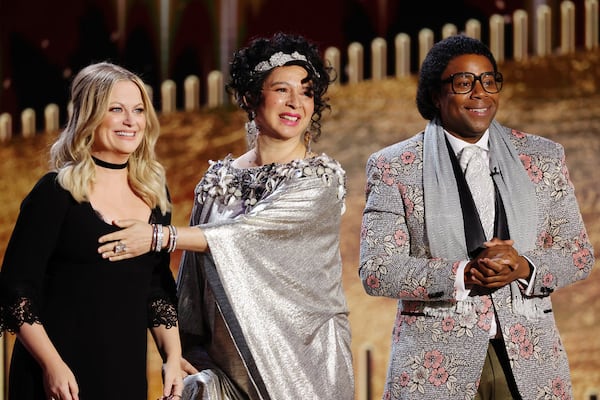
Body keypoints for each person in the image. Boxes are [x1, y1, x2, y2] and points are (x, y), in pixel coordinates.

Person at [97, 32, 355, 400]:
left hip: (301, 366)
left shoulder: (319, 181)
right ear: (251, 97)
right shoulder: (220, 178)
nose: (296, 102)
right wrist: (184, 345)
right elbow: (194, 275)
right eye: (282, 89)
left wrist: (157, 236)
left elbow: (247, 235)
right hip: (224, 364)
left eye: (307, 91)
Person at [359, 35, 594, 400]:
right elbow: (376, 270)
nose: (480, 93)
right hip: (434, 367)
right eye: (464, 83)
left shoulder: (542, 157)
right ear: (436, 95)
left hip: (530, 361)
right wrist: (461, 274)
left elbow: (578, 255)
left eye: (489, 80)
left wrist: (524, 267)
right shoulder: (394, 167)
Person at [0, 62, 184, 400]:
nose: (131, 121)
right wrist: (52, 366)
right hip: (57, 380)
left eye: (139, 110)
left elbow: (157, 290)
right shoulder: (55, 193)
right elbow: (16, 291)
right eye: (116, 109)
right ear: (90, 115)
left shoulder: (155, 194)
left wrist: (172, 357)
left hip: (123, 375)